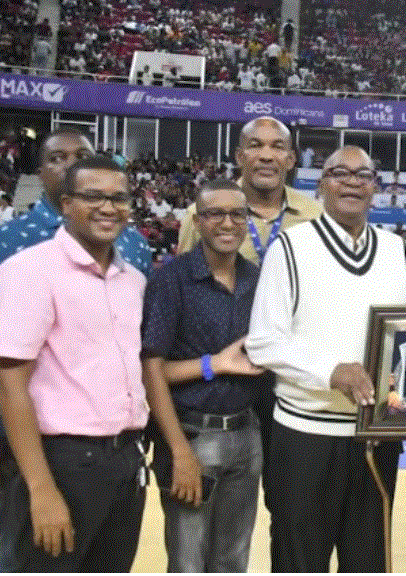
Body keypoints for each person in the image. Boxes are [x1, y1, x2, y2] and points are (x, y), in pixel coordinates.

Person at [0, 130, 151, 572]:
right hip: (60, 460)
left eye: (119, 198)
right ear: (66, 204)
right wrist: (42, 487)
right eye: (92, 196)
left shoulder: (132, 278)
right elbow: (10, 388)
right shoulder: (28, 271)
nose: (108, 207)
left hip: (124, 459)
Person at [245, 146, 406, 572]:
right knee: (299, 560)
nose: (352, 181)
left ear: (376, 187)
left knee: (368, 562)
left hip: (374, 438)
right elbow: (264, 342)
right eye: (340, 172)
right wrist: (331, 371)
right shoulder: (291, 246)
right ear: (321, 184)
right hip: (305, 435)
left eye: (364, 174)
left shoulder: (398, 249)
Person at [176, 115, 321, 533]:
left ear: (291, 159)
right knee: (206, 514)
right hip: (222, 382)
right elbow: (185, 290)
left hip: (288, 380)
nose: (266, 155)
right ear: (239, 155)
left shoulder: (313, 215)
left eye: (277, 147)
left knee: (290, 505)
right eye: (256, 145)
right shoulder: (200, 214)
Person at [141, 178, 272, 572]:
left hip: (247, 437)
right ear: (197, 222)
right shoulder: (171, 280)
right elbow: (152, 373)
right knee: (188, 562)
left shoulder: (258, 280)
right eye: (216, 213)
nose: (227, 223)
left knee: (233, 560)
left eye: (237, 214)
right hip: (192, 435)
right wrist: (213, 364)